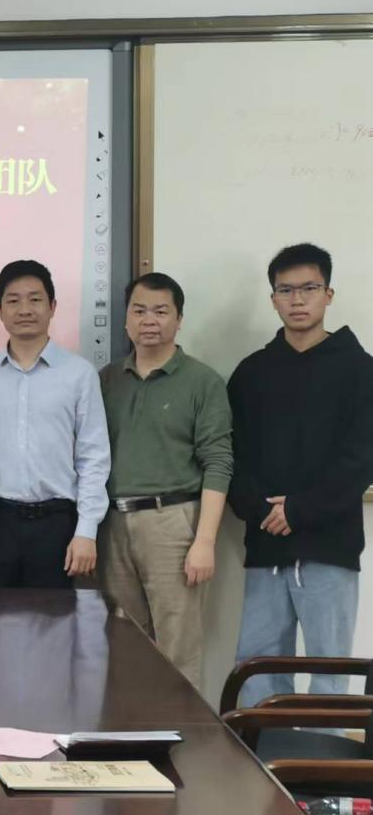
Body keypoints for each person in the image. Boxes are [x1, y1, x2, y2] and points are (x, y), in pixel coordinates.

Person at [228, 243, 373, 706]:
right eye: (285, 290)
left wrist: (298, 510)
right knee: (257, 669)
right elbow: (231, 456)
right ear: (273, 299)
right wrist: (263, 511)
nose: (297, 299)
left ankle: (323, 756)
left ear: (328, 294)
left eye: (309, 288)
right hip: (266, 543)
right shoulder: (251, 373)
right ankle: (259, 753)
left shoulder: (360, 369)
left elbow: (361, 458)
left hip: (330, 545)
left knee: (330, 669)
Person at [98, 273, 232, 686]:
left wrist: (204, 541)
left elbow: (218, 462)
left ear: (179, 319)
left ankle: (179, 730)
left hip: (172, 523)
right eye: (139, 310)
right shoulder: (106, 380)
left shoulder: (202, 381)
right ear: (126, 319)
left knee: (177, 649)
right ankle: (130, 727)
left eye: (160, 311)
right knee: (121, 645)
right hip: (112, 524)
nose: (149, 320)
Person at [0, 260, 110, 588]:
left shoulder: (79, 374)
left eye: (35, 299)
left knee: (53, 618)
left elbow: (93, 456)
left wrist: (87, 530)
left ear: (53, 306)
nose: (25, 309)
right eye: (13, 301)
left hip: (55, 524)